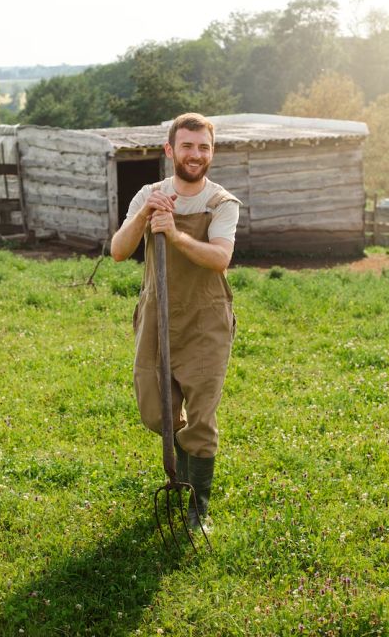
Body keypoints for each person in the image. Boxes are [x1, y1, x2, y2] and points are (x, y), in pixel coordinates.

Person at [111, 112, 240, 529]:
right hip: (157, 315)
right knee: (156, 413)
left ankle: (198, 506)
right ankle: (184, 462)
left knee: (200, 417)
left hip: (205, 318)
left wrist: (176, 234)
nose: (195, 154)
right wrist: (145, 216)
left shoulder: (221, 203)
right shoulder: (149, 195)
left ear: (212, 152)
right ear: (170, 150)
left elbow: (220, 258)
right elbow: (118, 251)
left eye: (203, 147)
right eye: (187, 146)